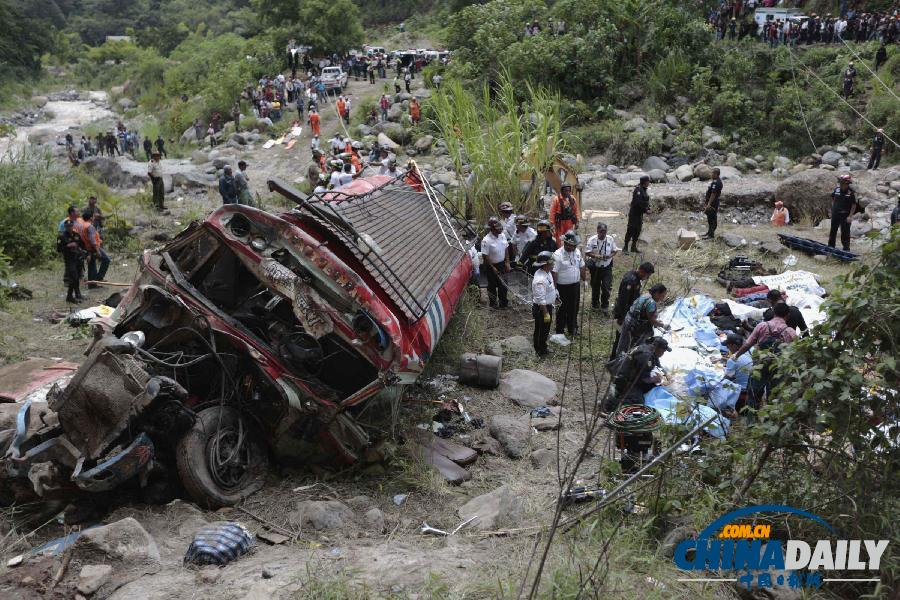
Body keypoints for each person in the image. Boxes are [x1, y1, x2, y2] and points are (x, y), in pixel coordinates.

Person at [733, 302, 797, 407]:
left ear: (774, 312)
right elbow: (795, 352)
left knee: (753, 395)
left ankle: (751, 416)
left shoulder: (762, 326)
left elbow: (747, 344)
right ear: (787, 315)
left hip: (760, 365)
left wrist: (736, 356)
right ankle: (770, 415)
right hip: (777, 368)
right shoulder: (790, 332)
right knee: (774, 397)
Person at [611, 337, 670, 408]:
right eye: (663, 351)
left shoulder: (651, 350)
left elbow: (657, 365)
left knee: (656, 386)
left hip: (632, 377)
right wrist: (654, 379)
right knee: (638, 402)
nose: (663, 353)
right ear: (657, 348)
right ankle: (610, 403)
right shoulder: (645, 356)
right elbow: (642, 377)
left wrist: (665, 375)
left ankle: (624, 394)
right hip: (626, 380)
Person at [616, 283, 668, 356]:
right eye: (662, 296)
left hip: (628, 320)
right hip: (635, 325)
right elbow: (652, 320)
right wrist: (662, 325)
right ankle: (626, 360)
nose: (662, 298)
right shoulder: (651, 303)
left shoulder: (645, 295)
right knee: (635, 347)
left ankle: (618, 359)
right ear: (656, 293)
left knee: (623, 344)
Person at [552, 231, 586, 338]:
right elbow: (554, 272)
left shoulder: (577, 252)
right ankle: (560, 331)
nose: (574, 247)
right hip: (562, 287)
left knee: (574, 308)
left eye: (575, 245)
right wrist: (555, 289)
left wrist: (584, 280)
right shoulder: (557, 255)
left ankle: (572, 328)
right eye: (572, 245)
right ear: (566, 243)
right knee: (562, 310)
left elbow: (582, 266)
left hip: (575, 286)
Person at [584, 222, 618, 314]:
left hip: (607, 267)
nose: (603, 234)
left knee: (606, 287)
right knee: (595, 286)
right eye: (601, 231)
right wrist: (596, 256)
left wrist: (609, 256)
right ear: (597, 231)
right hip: (596, 267)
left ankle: (605, 305)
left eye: (604, 232)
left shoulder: (610, 239)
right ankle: (595, 304)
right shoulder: (592, 240)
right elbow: (587, 252)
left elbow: (615, 251)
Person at [531, 251, 557, 357]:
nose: (553, 264)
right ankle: (540, 351)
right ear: (545, 264)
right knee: (541, 330)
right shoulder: (540, 280)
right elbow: (540, 299)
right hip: (542, 308)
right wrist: (546, 313)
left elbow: (550, 287)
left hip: (547, 306)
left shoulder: (547, 272)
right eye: (551, 262)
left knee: (545, 329)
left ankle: (543, 347)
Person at [482, 217, 510, 308]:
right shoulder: (486, 240)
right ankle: (493, 304)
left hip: (502, 264)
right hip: (491, 265)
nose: (500, 230)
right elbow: (485, 255)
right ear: (492, 229)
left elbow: (506, 248)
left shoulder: (502, 235)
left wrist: (507, 262)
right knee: (492, 285)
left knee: (503, 284)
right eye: (498, 229)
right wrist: (492, 267)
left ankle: (503, 303)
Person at [723, 334, 753, 415]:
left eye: (728, 346)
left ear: (734, 346)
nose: (727, 348)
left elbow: (727, 379)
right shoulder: (749, 354)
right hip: (751, 391)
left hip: (741, 394)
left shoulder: (733, 359)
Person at [57, 219, 85, 304]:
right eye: (67, 226)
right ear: (65, 227)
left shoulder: (76, 234)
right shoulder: (62, 236)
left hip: (78, 258)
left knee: (77, 277)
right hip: (69, 259)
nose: (69, 228)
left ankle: (77, 294)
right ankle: (69, 296)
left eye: (71, 226)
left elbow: (82, 245)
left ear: (73, 226)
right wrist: (68, 246)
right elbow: (59, 249)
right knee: (74, 277)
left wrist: (85, 253)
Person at [80, 211, 110, 288]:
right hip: (93, 247)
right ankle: (99, 278)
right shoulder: (90, 226)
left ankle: (92, 284)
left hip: (87, 248)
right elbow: (92, 240)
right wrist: (97, 251)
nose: (94, 218)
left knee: (92, 265)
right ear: (91, 218)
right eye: (93, 216)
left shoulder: (82, 226)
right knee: (106, 260)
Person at [828, 174, 857, 251]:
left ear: (847, 184)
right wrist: (832, 209)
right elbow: (832, 198)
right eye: (840, 183)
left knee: (845, 233)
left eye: (843, 183)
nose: (841, 185)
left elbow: (854, 205)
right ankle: (830, 247)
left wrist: (850, 216)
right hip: (835, 214)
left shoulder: (851, 193)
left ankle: (846, 249)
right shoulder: (836, 190)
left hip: (845, 215)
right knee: (833, 231)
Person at [623, 176, 650, 254]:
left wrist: (648, 207)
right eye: (648, 181)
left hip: (639, 214)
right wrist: (645, 210)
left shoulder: (644, 189)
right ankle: (625, 247)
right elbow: (638, 203)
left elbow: (645, 201)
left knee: (637, 230)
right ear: (644, 182)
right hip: (634, 214)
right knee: (631, 229)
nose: (649, 183)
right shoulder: (638, 190)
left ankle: (633, 247)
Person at [703, 168, 723, 239]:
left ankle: (711, 235)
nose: (711, 174)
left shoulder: (716, 182)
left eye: (713, 173)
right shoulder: (715, 181)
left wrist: (709, 204)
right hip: (711, 202)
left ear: (716, 174)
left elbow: (713, 194)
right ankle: (709, 232)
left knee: (712, 218)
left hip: (713, 203)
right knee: (709, 218)